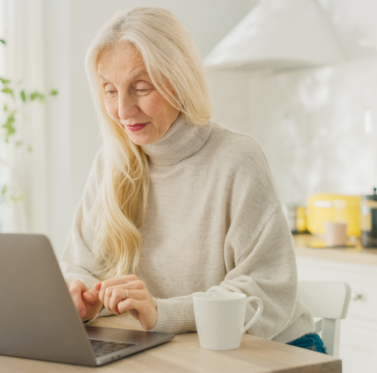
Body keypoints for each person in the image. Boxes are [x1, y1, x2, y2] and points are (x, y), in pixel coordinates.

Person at [61, 7, 326, 353]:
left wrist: (163, 312)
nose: (123, 111)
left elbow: (267, 291)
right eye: (110, 91)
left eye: (140, 88)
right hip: (182, 350)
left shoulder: (237, 158)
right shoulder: (110, 165)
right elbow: (78, 264)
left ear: (179, 78)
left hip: (275, 349)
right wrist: (86, 296)